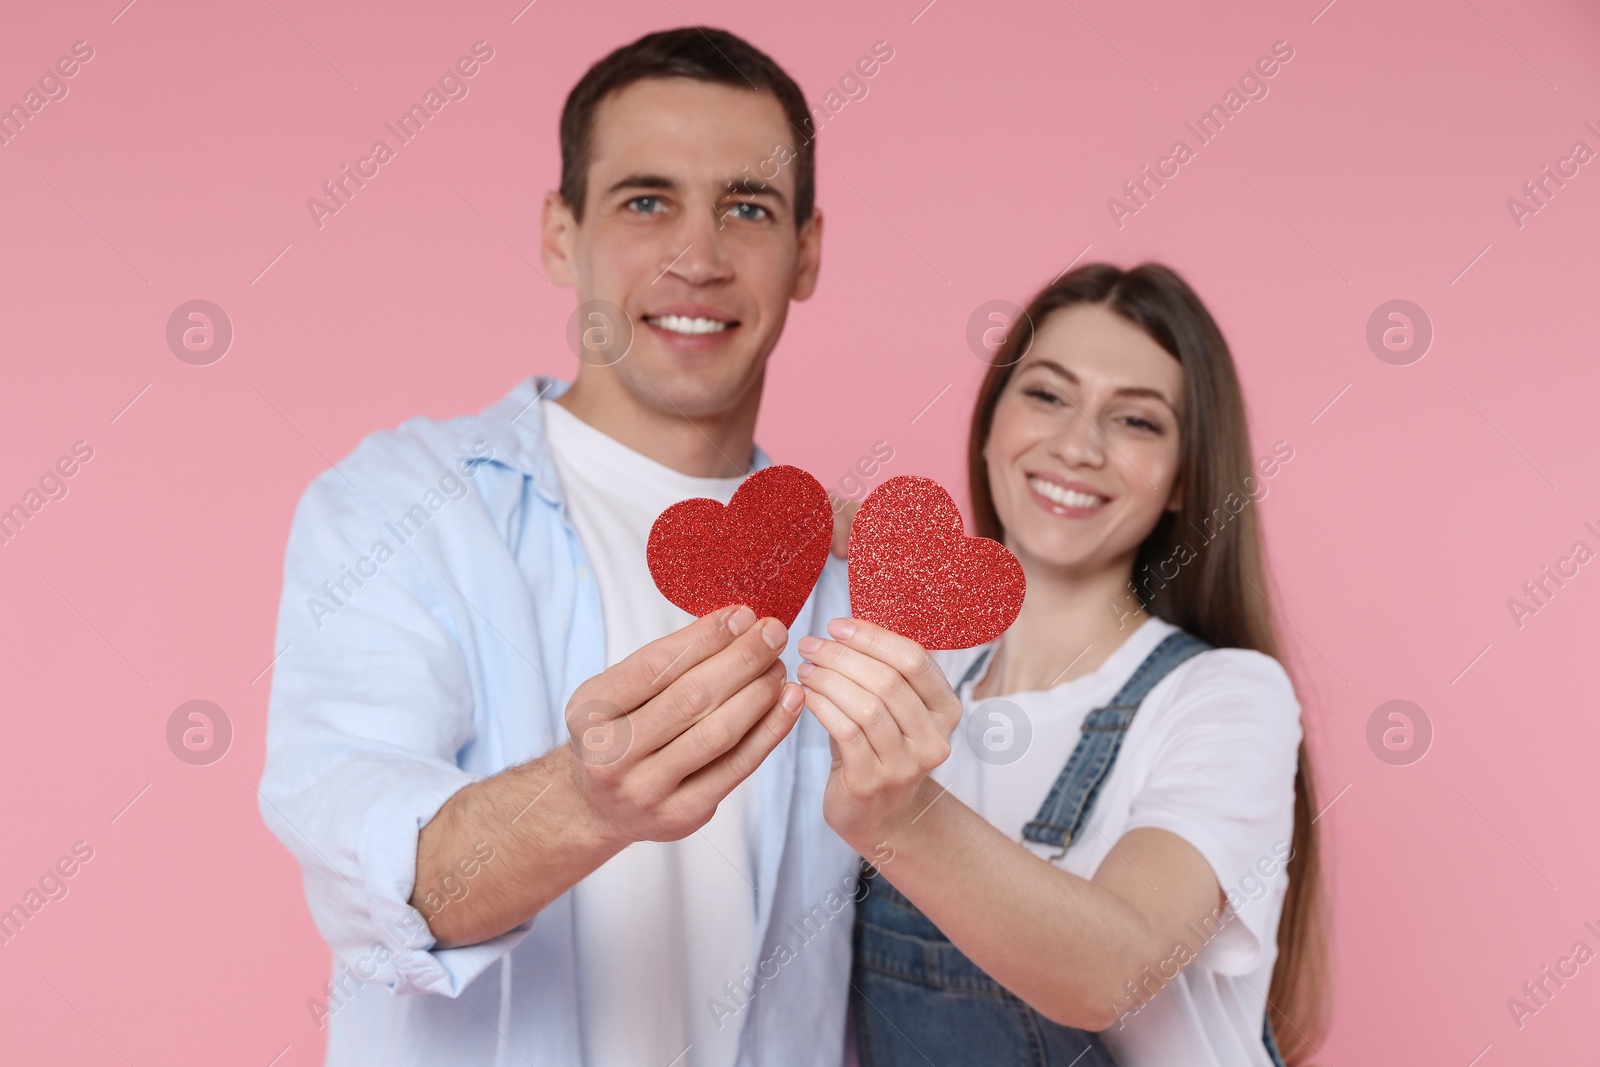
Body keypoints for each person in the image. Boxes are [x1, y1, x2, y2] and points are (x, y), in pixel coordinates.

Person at [258, 28, 866, 1067]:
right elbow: (386, 879)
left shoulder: (857, 571)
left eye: (748, 207)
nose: (699, 256)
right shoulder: (403, 507)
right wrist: (585, 801)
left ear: (806, 250)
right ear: (557, 231)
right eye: (645, 200)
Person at [795, 263, 1326, 1065]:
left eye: (1137, 421)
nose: (1078, 445)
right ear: (988, 422)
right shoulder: (921, 680)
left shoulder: (1227, 698)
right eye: (1046, 395)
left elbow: (1119, 966)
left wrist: (898, 817)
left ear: (1185, 477)